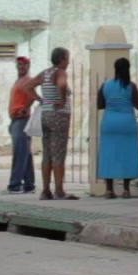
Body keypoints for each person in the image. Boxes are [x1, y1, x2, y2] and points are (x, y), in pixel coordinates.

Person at [97, 58, 138, 198]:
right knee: (127, 154)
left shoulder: (105, 85)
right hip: (127, 123)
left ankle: (109, 189)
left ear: (115, 69)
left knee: (108, 154)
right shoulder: (131, 86)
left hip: (110, 122)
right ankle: (126, 190)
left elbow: (100, 105)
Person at [36, 47, 77, 201]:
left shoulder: (45, 73)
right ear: (61, 59)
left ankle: (45, 190)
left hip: (45, 115)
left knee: (47, 153)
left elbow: (26, 87)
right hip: (59, 116)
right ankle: (59, 190)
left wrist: (41, 100)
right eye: (67, 58)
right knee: (59, 153)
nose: (68, 62)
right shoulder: (60, 72)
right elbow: (61, 84)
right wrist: (62, 100)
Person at [5, 54, 37, 194]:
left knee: (20, 153)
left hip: (22, 120)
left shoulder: (28, 80)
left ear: (28, 66)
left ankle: (15, 185)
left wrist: (25, 108)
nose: (21, 67)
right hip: (16, 120)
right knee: (25, 153)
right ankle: (29, 184)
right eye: (19, 64)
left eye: (23, 65)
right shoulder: (19, 81)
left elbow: (33, 95)